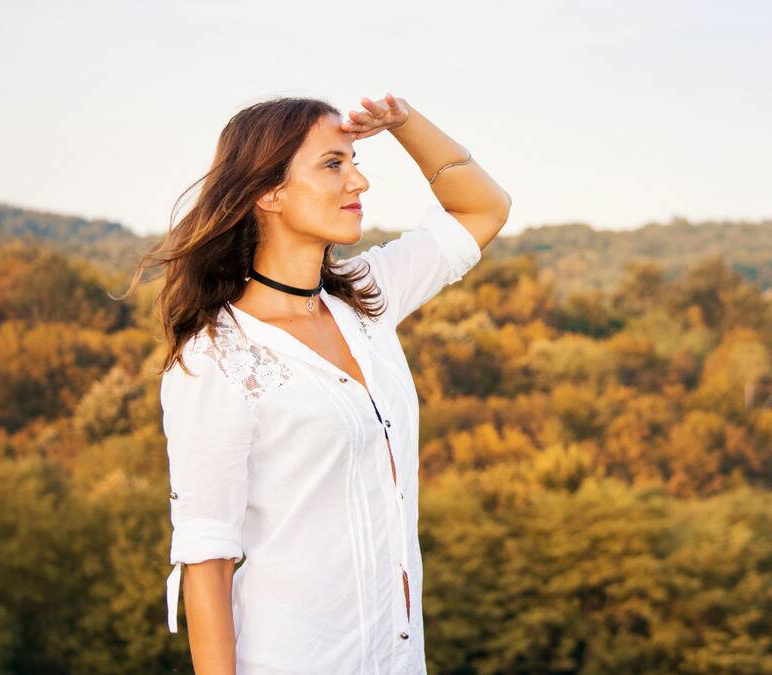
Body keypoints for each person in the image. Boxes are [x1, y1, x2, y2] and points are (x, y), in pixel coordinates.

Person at [132, 94, 509, 674]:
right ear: (269, 191)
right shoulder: (216, 356)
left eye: (354, 160)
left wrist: (405, 124)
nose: (358, 180)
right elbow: (205, 560)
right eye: (333, 164)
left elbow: (483, 210)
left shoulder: (367, 298)